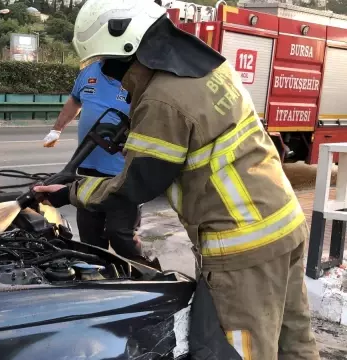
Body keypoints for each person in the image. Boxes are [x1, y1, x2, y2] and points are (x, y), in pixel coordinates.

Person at [33, 0, 320, 359]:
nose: (109, 73)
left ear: (126, 49)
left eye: (107, 62)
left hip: (242, 246)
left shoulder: (161, 100)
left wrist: (69, 192)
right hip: (282, 225)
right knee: (294, 343)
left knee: (239, 351)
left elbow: (134, 187)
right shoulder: (209, 68)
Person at [42, 59, 143, 259]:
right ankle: (98, 278)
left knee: (121, 235)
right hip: (87, 169)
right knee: (90, 237)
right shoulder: (90, 72)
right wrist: (57, 129)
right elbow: (74, 100)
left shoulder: (140, 75)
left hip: (123, 173)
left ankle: (146, 275)